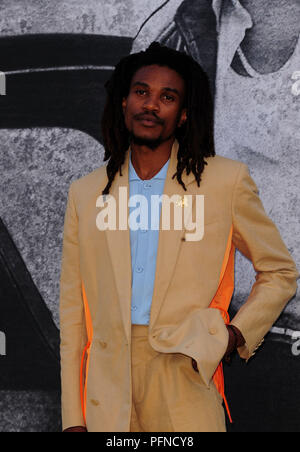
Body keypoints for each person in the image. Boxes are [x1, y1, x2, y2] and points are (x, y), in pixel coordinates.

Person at [59, 42, 299, 432]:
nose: (151, 105)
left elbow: (279, 271)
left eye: (167, 97)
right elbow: (73, 318)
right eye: (141, 92)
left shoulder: (224, 181)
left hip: (183, 370)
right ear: (124, 103)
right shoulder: (86, 194)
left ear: (183, 114)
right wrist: (72, 419)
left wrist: (230, 336)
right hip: (106, 386)